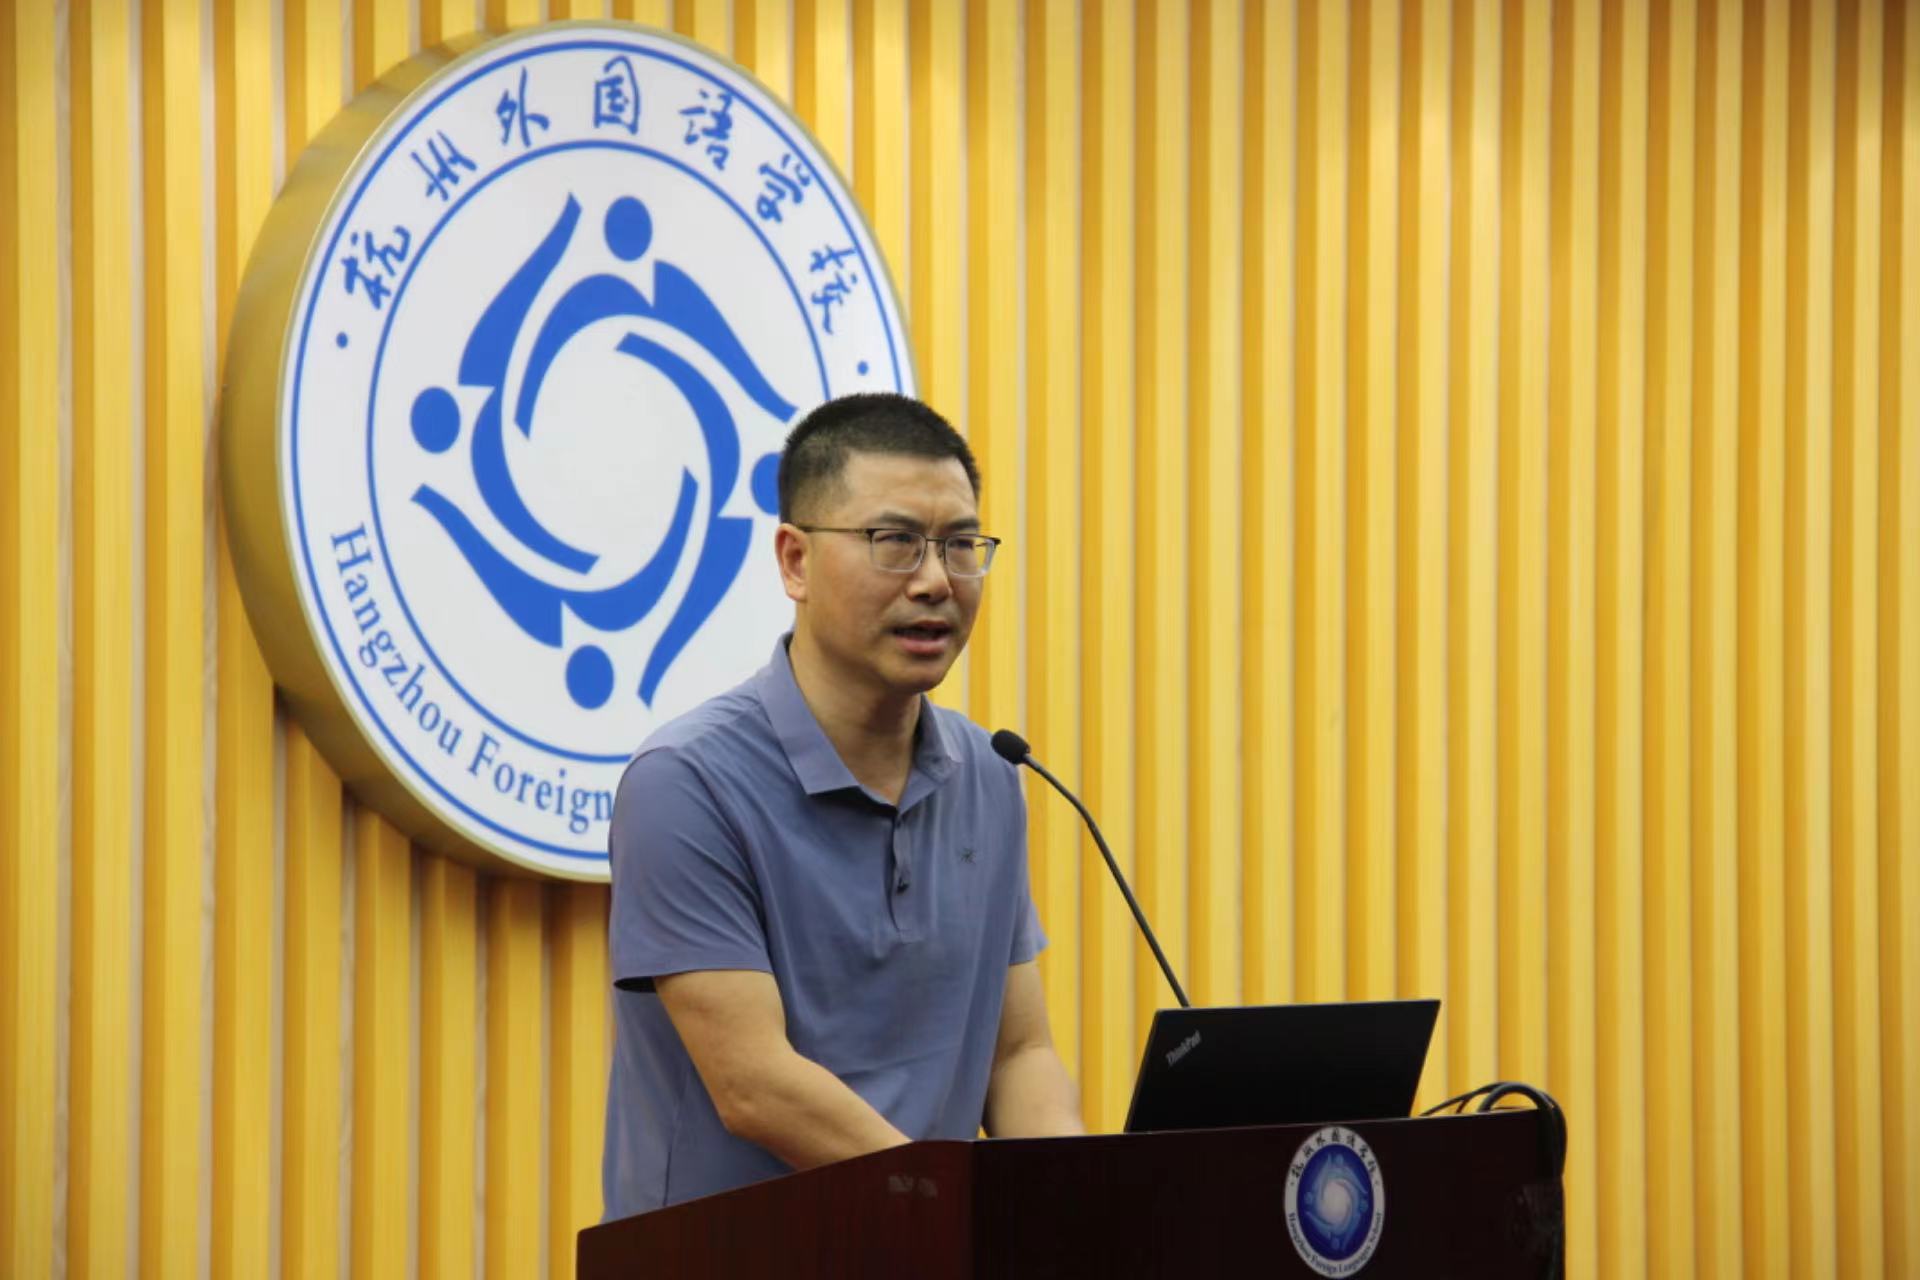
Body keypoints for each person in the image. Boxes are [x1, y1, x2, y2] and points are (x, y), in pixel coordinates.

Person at [602, 392, 1083, 1218]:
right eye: (895, 542)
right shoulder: (686, 782)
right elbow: (755, 1085)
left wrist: (1078, 1205)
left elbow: (1018, 1055)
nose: (935, 581)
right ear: (795, 561)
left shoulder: (989, 774)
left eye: (960, 545)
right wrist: (957, 1210)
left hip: (930, 1244)